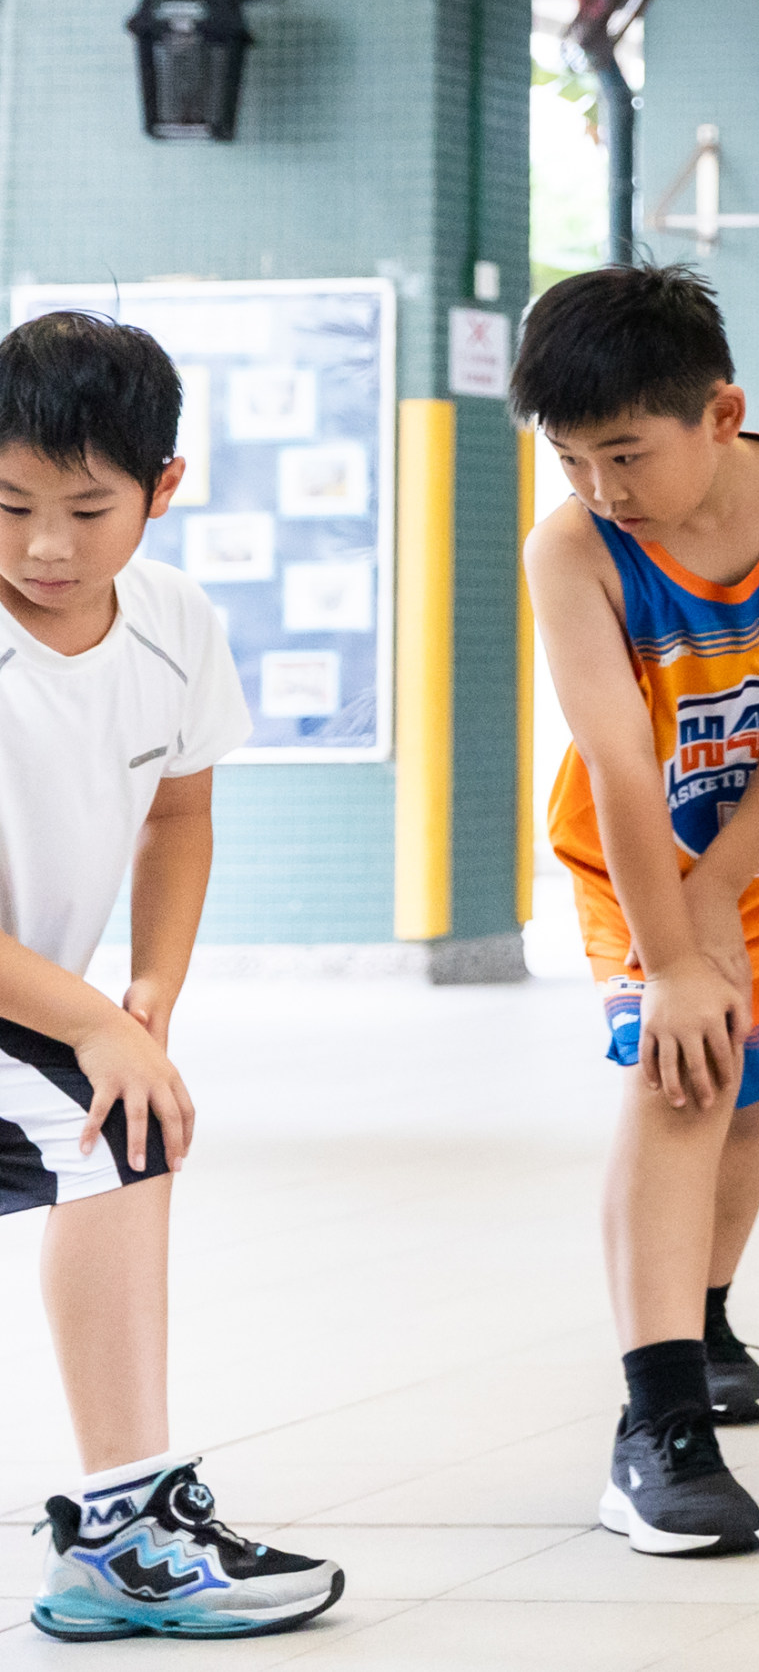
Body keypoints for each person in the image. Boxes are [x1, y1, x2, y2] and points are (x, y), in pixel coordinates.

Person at [522, 266, 759, 1558]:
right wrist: (673, 948)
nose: (601, 489)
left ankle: (705, 1308)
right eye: (570, 459)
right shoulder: (572, 549)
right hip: (631, 851)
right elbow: (620, 765)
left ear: (720, 411)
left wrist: (727, 890)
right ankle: (657, 1424)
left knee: (748, 1086)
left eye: (624, 453)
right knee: (680, 1070)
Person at [0, 314, 342, 1641]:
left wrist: (149, 988)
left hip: (38, 993)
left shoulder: (175, 623)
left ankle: (122, 1522)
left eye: (88, 508)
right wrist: (100, 1029)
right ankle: (123, 1530)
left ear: (163, 487)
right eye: (11, 503)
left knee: (115, 1111)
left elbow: (179, 815)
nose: (45, 544)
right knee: (117, 1124)